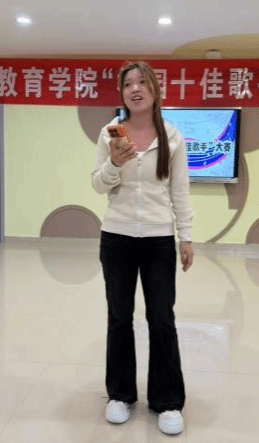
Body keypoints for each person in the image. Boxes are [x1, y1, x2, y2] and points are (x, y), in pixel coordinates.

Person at [91, 61, 194, 435]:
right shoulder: (112, 132)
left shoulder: (172, 136)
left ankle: (167, 400)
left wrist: (186, 237)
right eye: (128, 84)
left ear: (154, 89)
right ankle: (120, 395)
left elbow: (179, 191)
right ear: (122, 93)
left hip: (158, 240)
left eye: (141, 82)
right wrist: (114, 164)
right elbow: (98, 185)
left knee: (161, 318)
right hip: (116, 237)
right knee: (119, 317)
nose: (135, 89)